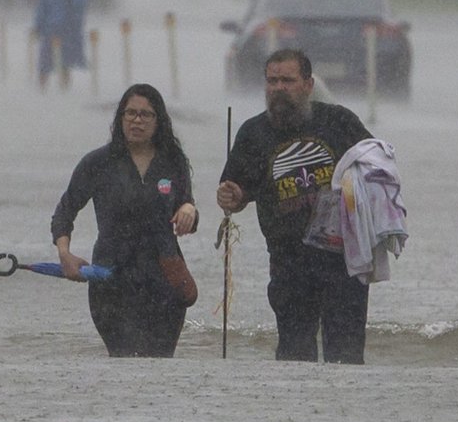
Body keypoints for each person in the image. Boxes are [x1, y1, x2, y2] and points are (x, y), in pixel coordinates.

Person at [216, 49, 374, 364]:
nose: (278, 88)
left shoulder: (339, 121)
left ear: (308, 84)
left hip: (344, 263)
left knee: (346, 358)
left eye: (287, 80)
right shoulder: (253, 133)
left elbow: (377, 169)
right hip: (288, 264)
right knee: (293, 356)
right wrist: (231, 197)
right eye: (272, 81)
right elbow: (236, 191)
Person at [51, 83, 199, 357]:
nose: (137, 121)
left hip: (164, 278)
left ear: (159, 121)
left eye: (146, 115)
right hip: (111, 279)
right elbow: (65, 211)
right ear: (120, 119)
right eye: (130, 113)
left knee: (160, 363)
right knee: (124, 361)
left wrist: (189, 209)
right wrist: (64, 253)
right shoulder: (98, 163)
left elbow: (186, 205)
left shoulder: (173, 161)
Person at [32, 0, 87, 91]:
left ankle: (64, 91)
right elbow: (42, 11)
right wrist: (38, 27)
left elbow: (79, 14)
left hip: (69, 34)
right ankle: (42, 91)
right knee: (44, 64)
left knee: (65, 64)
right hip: (50, 33)